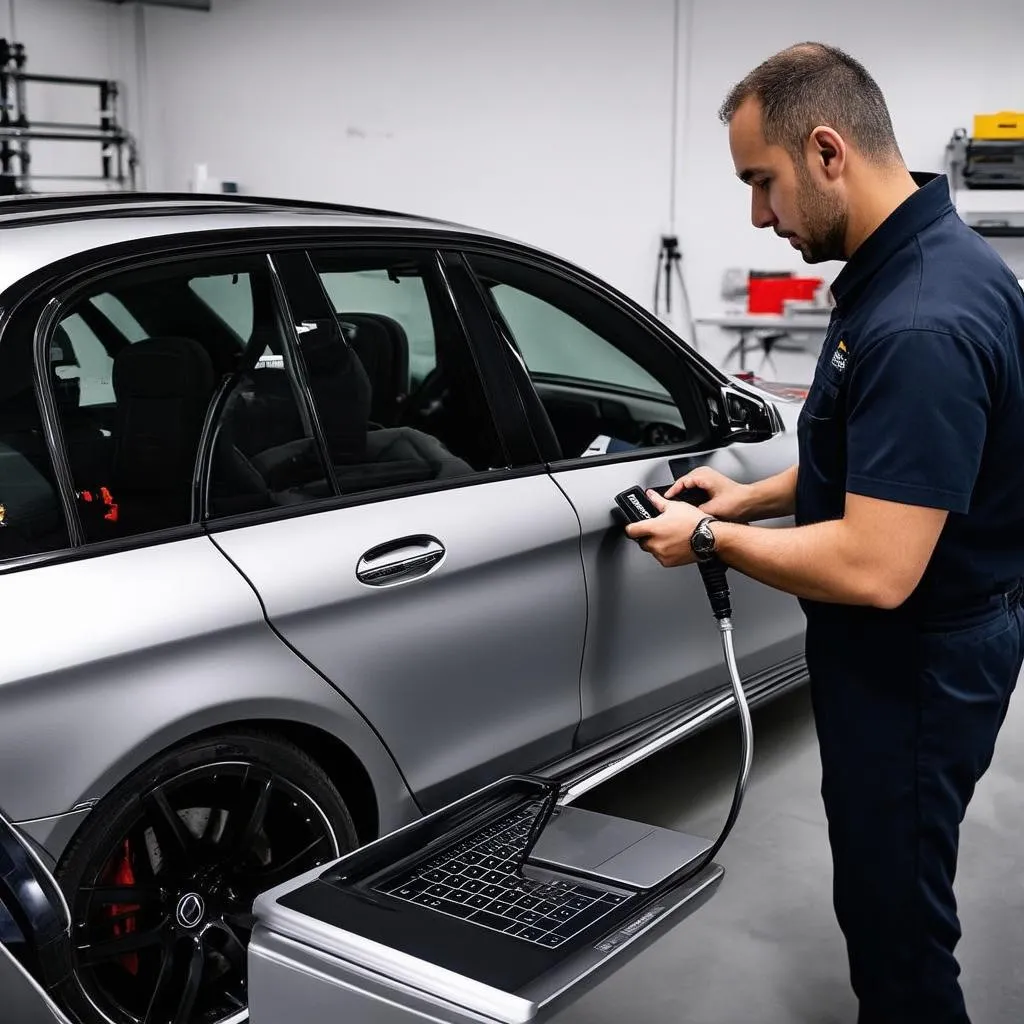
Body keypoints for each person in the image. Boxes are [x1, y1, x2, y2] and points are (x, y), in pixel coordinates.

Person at [625, 41, 1024, 1024]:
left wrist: (707, 545)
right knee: (883, 889)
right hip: (916, 647)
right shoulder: (915, 269)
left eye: (762, 183)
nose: (759, 215)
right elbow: (885, 472)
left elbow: (878, 563)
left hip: (914, 665)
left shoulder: (920, 320)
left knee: (895, 926)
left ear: (827, 151)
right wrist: (743, 499)